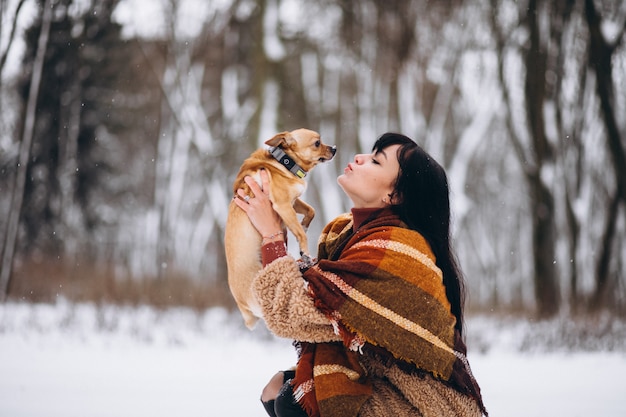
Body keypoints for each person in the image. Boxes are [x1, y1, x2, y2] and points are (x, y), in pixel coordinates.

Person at [234, 132, 488, 417]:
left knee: (297, 401)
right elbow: (310, 302)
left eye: (376, 161)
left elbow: (295, 312)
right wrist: (275, 226)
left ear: (394, 195)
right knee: (278, 389)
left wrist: (271, 236)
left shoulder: (396, 250)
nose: (359, 158)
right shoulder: (345, 234)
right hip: (383, 379)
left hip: (427, 405)